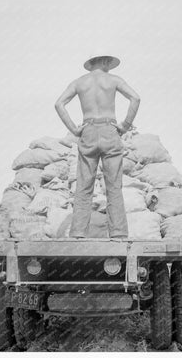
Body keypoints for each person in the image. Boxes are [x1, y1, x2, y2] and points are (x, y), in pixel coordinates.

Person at [54, 54, 140, 238]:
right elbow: (136, 98)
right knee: (114, 186)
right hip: (110, 130)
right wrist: (125, 125)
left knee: (84, 186)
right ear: (103, 61)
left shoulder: (79, 82)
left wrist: (74, 129)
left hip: (88, 131)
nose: (110, 64)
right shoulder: (114, 80)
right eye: (108, 61)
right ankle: (118, 234)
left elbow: (59, 103)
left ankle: (78, 233)